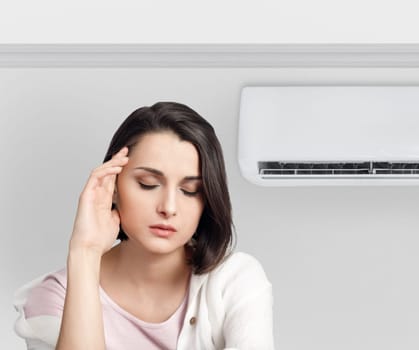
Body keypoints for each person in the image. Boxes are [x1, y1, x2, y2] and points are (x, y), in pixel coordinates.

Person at [13, 102, 274, 349]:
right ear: (112, 186)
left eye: (189, 190)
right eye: (148, 184)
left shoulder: (236, 281)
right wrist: (85, 252)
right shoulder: (54, 297)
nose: (168, 207)